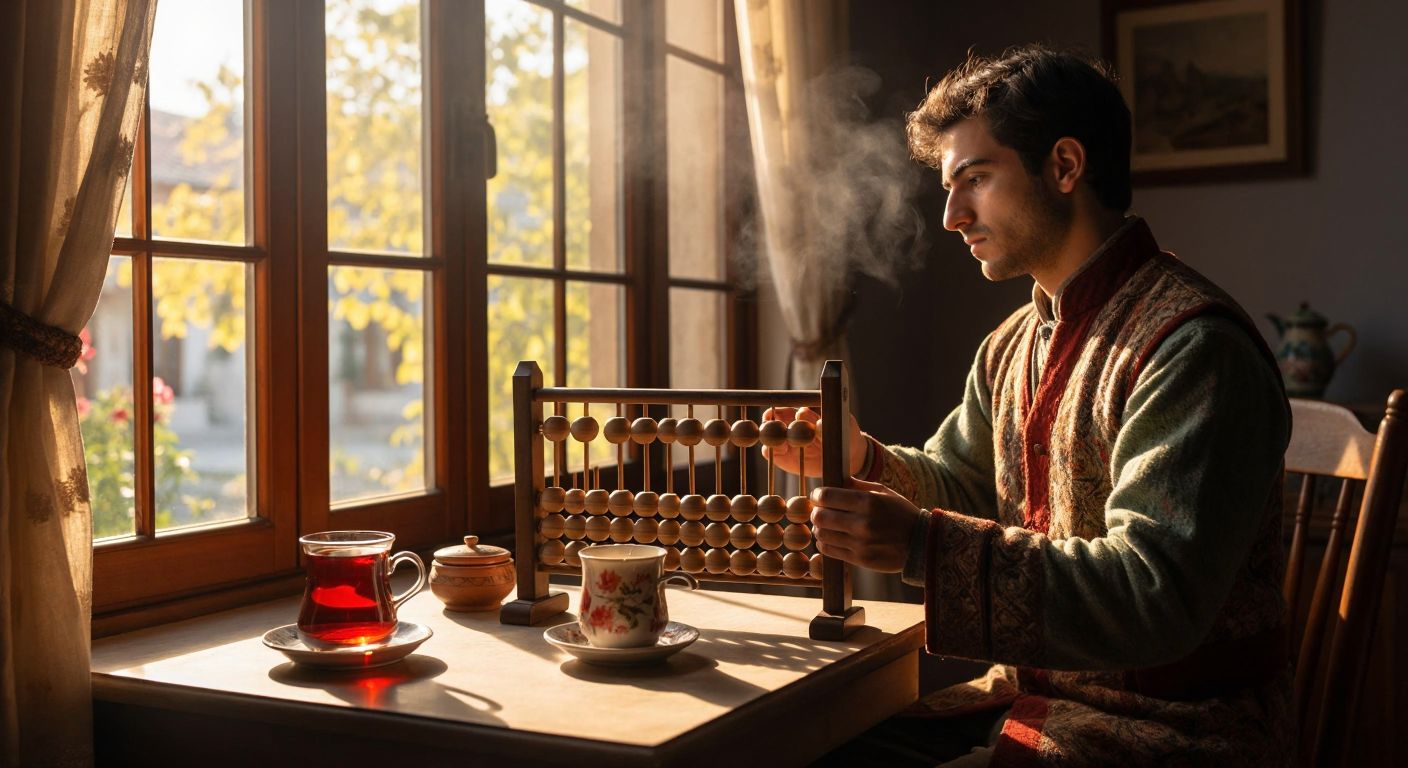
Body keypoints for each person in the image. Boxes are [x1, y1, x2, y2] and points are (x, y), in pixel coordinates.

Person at [770, 45, 1293, 766]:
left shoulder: (1194, 348)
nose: (953, 215)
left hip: (1177, 729)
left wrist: (921, 544)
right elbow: (965, 483)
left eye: (975, 180)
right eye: (950, 188)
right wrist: (861, 459)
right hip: (1031, 700)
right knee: (805, 745)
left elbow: (1153, 592)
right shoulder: (1013, 343)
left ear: (1066, 166)